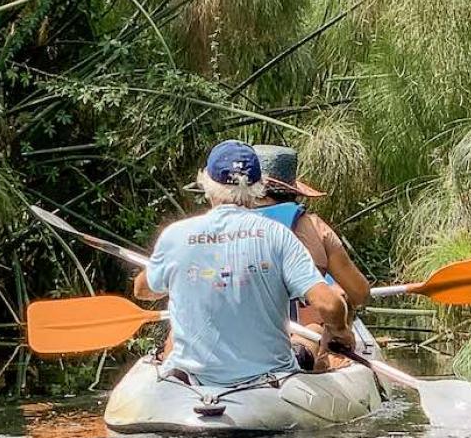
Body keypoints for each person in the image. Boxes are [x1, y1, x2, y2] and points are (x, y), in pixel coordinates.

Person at [131, 140, 351, 385]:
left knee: (173, 338)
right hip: (269, 379)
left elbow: (142, 290)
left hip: (192, 382)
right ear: (258, 186)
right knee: (312, 335)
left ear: (206, 183)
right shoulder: (278, 235)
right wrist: (340, 331)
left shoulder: (175, 235)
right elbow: (330, 305)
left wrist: (161, 267)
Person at [252, 144, 371, 369]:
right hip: (299, 336)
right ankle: (311, 356)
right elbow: (359, 292)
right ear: (291, 190)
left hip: (233, 341)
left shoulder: (216, 230)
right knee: (317, 326)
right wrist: (340, 324)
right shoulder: (314, 227)